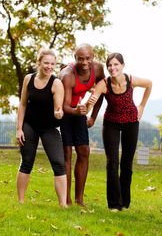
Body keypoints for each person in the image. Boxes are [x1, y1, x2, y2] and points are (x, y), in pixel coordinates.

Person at [86, 52, 152, 211]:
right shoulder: (104, 84)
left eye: (116, 64)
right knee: (112, 162)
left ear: (122, 65)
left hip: (131, 122)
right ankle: (114, 204)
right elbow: (90, 105)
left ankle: (125, 202)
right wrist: (89, 103)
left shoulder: (130, 80)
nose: (112, 67)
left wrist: (142, 105)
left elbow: (149, 84)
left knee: (126, 163)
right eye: (109, 65)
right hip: (111, 124)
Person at [16, 49, 67, 207]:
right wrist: (19, 129)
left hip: (49, 128)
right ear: (39, 63)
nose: (49, 66)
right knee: (27, 161)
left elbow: (58, 109)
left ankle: (63, 204)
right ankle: (21, 201)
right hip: (30, 125)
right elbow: (23, 104)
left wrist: (59, 114)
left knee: (58, 163)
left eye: (52, 64)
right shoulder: (28, 79)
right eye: (46, 63)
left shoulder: (56, 83)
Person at [59, 43, 105, 206]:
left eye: (88, 58)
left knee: (84, 151)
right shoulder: (67, 75)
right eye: (80, 59)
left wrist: (92, 117)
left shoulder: (98, 69)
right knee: (67, 154)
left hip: (80, 110)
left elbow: (101, 93)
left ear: (93, 57)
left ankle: (79, 199)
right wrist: (78, 112)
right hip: (65, 112)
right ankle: (67, 199)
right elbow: (64, 106)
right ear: (75, 59)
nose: (84, 62)